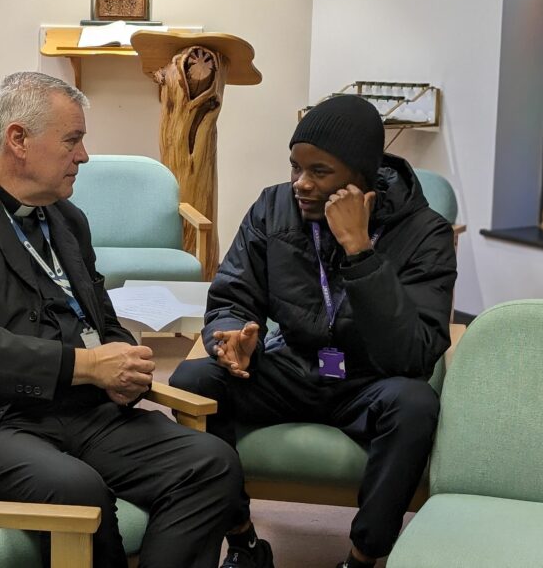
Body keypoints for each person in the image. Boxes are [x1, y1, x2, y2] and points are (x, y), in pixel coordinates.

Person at [0, 71, 243, 568]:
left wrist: (124, 362)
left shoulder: (65, 217)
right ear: (18, 139)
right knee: (74, 489)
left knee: (211, 464)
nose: (84, 156)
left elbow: (101, 318)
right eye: (72, 140)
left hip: (75, 408)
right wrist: (88, 366)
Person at [170, 95, 457, 568]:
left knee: (415, 404)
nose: (300, 183)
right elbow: (232, 294)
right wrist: (232, 337)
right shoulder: (273, 207)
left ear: (363, 176)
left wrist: (360, 252)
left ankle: (362, 558)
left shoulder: (426, 233)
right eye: (295, 167)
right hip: (295, 366)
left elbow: (415, 354)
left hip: (369, 380)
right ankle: (242, 541)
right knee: (193, 380)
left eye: (319, 171)